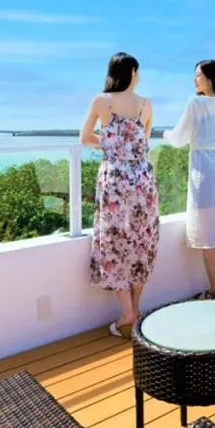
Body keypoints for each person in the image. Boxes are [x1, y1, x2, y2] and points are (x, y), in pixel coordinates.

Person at [80, 52, 160, 336]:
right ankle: (136, 310)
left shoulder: (101, 101)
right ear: (134, 72)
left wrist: (109, 142)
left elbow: (84, 138)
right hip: (142, 180)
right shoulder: (146, 105)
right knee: (140, 240)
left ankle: (127, 312)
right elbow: (144, 141)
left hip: (115, 180)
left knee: (115, 242)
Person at [164, 59, 215, 299]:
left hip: (205, 171)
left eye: (197, 75)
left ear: (209, 78)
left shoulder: (196, 102)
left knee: (209, 233)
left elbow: (179, 137)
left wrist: (165, 134)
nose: (194, 79)